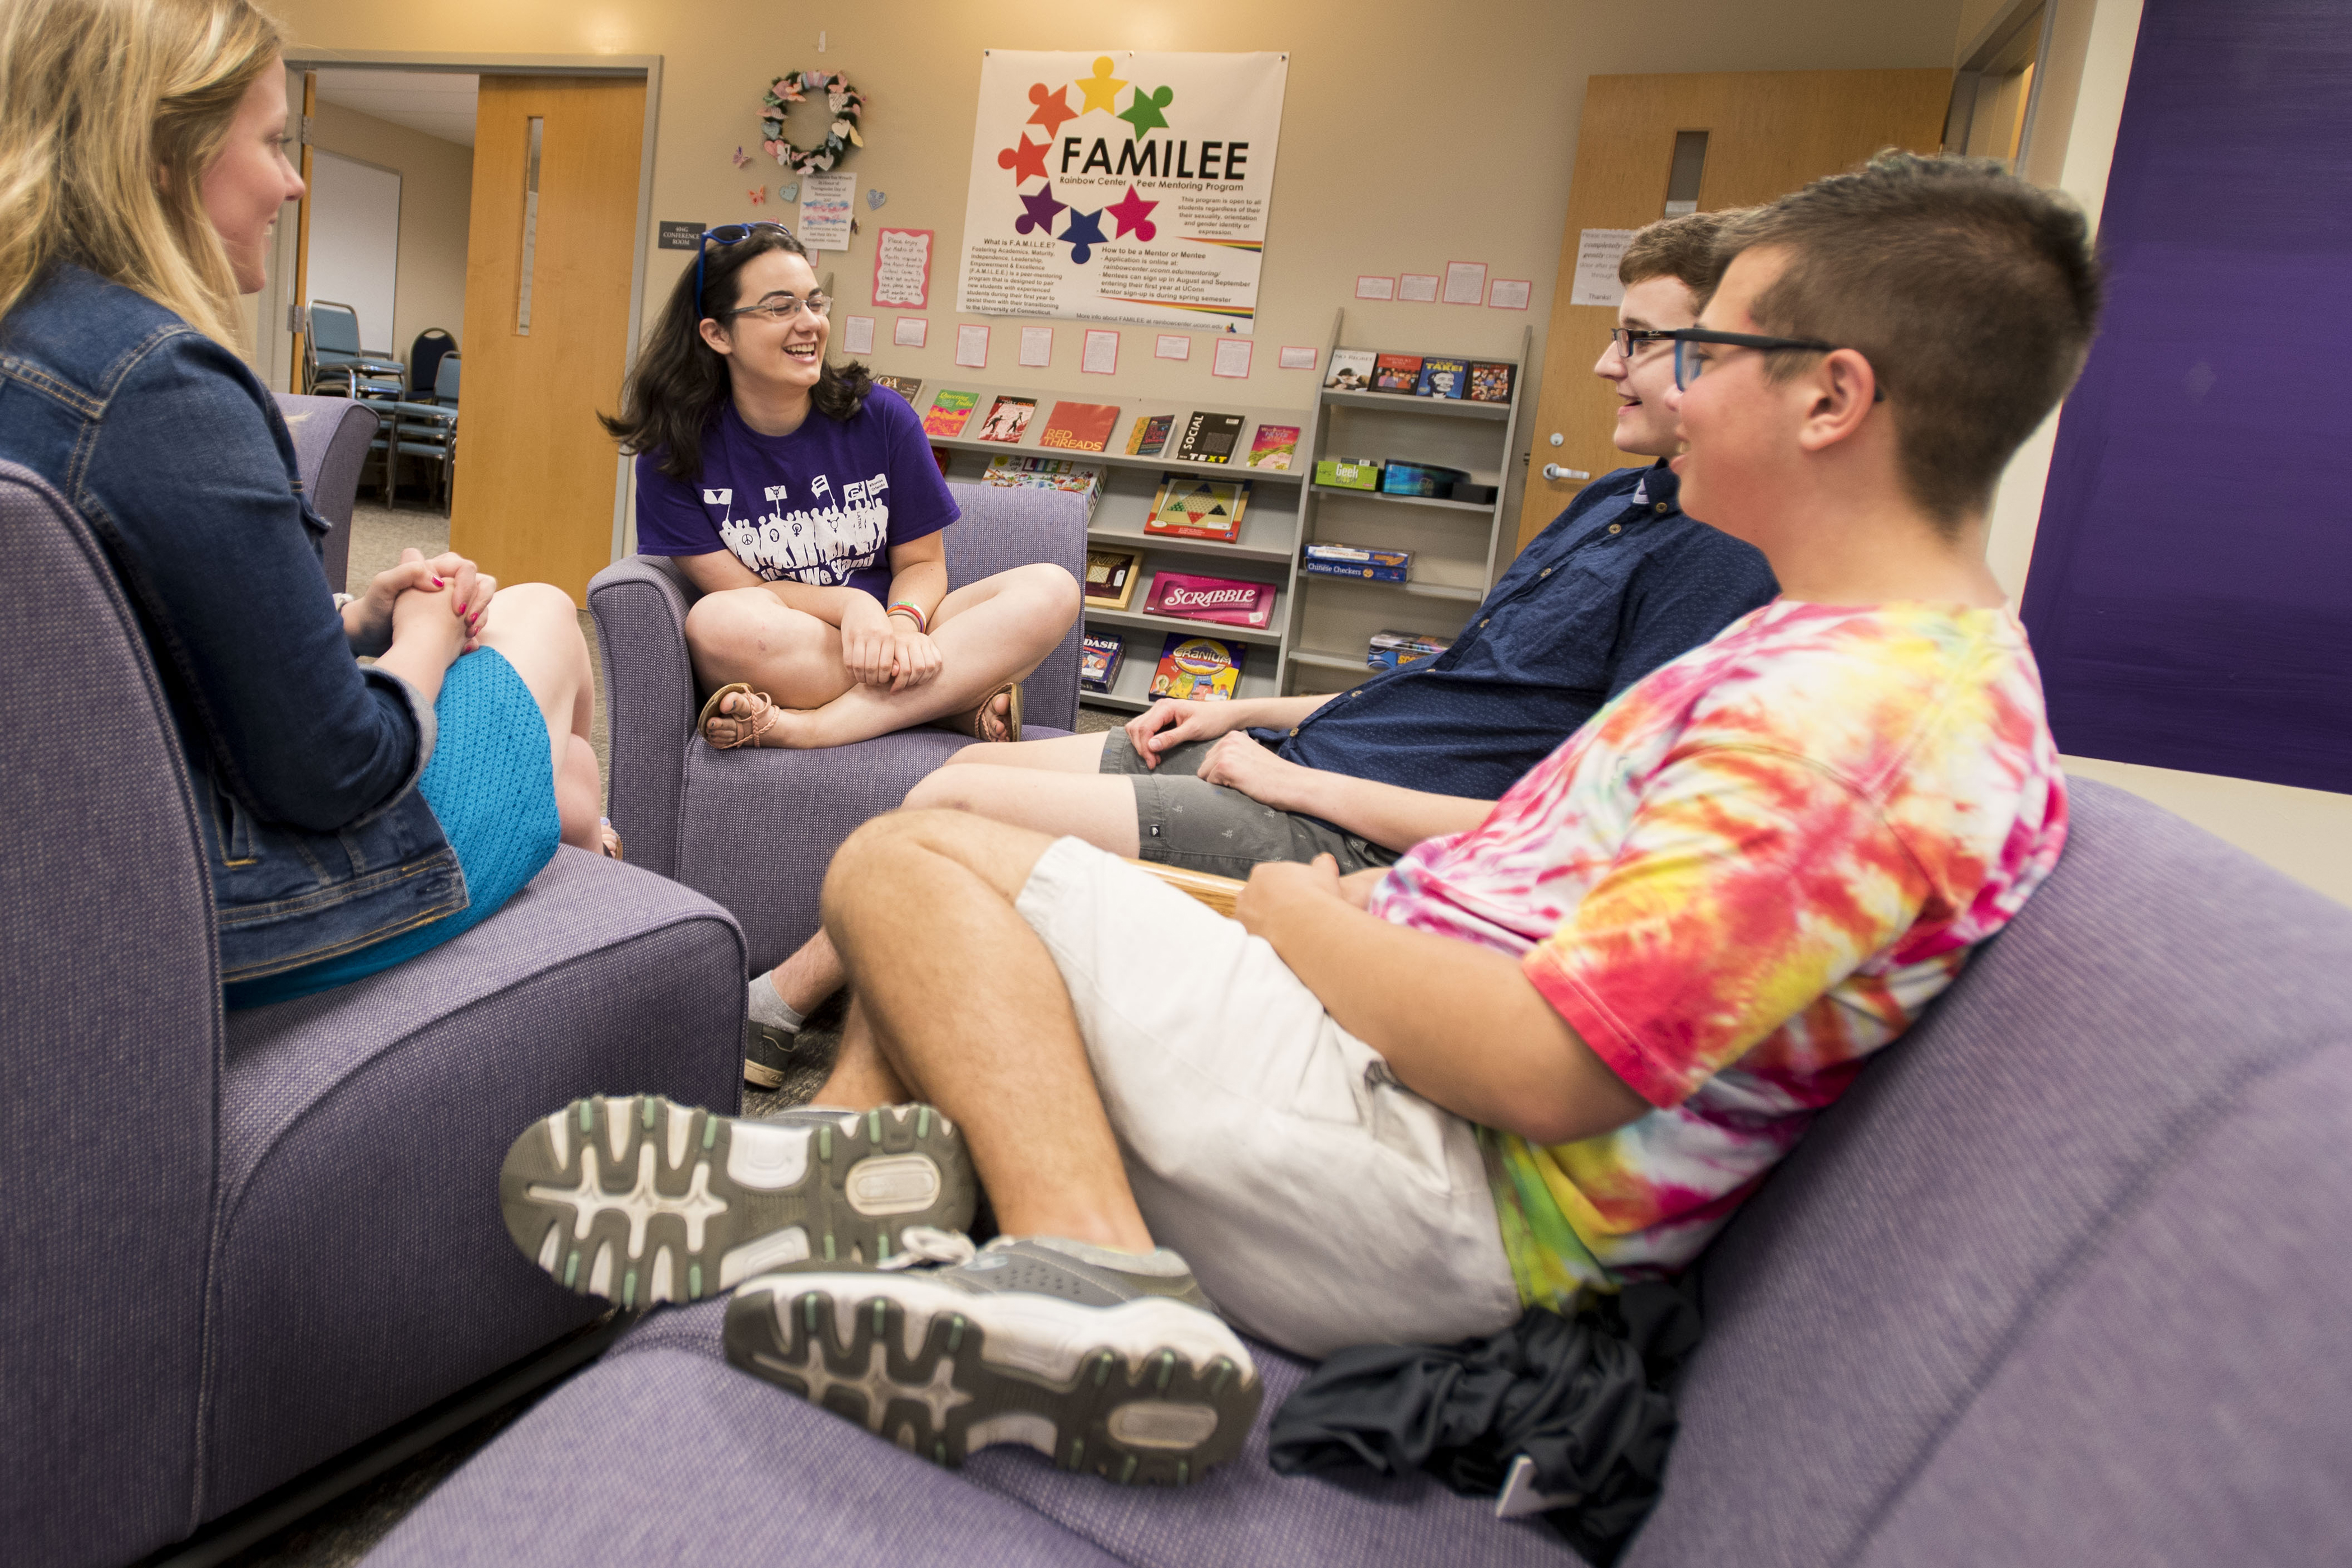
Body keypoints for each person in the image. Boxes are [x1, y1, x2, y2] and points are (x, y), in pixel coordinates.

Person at [500, 151, 2100, 1487]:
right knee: (947, 862)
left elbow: (1548, 1069)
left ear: (1832, 398)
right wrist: (1301, 910)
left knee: (912, 862)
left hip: (1441, 1186)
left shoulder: (1868, 728)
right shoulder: (1827, 651)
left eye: (1709, 353)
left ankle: (1092, 1285)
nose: (1661, 384)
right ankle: (857, 1175)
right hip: (1387, 1058)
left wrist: (1299, 913)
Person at [738, 213, 1780, 1082]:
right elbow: (1455, 687)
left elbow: (1575, 827)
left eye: (1638, 339)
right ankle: (829, 1042)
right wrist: (1243, 712)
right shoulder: (1614, 498)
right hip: (1306, 758)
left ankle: (794, 1020)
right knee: (961, 770)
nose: (1605, 363)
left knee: (944, 808)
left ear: (1728, 354)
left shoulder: (1719, 556)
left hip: (1356, 828)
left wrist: (1302, 793)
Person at [0, 0, 614, 1006]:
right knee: (543, 615)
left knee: (572, 779)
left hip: (63, 864)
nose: (294, 180)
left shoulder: (30, 339)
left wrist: (355, 618)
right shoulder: (165, 387)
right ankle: (592, 885)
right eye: (276, 142)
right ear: (162, 147)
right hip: (209, 909)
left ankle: (578, 839)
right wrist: (421, 634)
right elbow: (339, 769)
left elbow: (108, 636)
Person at [604, 223, 1080, 750]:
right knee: (716, 624)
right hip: (796, 638)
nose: (809, 323)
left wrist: (899, 626)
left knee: (1052, 589)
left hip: (909, 631)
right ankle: (948, 704)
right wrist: (855, 609)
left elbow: (922, 565)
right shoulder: (673, 450)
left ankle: (813, 728)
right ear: (718, 334)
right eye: (780, 307)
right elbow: (745, 593)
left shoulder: (883, 417)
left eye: (814, 303)